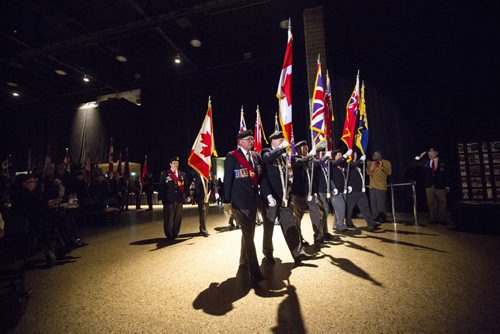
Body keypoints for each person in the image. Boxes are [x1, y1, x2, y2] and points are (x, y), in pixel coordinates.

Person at [260, 131, 314, 265]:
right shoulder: (266, 152)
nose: (284, 143)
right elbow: (267, 159)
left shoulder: (283, 157)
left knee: (290, 225)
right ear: (274, 141)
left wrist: (288, 192)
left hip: (284, 198)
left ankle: (298, 253)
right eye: (281, 140)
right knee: (269, 227)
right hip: (271, 199)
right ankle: (268, 253)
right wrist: (268, 196)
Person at [223, 129, 265, 285]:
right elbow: (228, 179)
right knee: (249, 236)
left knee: (249, 234)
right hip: (239, 202)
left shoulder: (255, 156)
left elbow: (259, 177)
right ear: (240, 142)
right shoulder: (232, 156)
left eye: (252, 139)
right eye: (248, 139)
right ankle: (255, 271)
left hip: (253, 201)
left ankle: (242, 261)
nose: (251, 141)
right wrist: (227, 201)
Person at [291, 140, 325, 245]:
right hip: (299, 194)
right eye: (304, 147)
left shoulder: (310, 160)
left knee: (316, 215)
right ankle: (299, 238)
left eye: (307, 147)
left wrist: (326, 156)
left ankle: (318, 236)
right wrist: (310, 155)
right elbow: (300, 162)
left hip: (310, 194)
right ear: (298, 149)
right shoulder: (295, 159)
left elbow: (317, 164)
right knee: (297, 218)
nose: (307, 149)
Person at [345, 153, 383, 232]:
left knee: (365, 207)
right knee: (350, 208)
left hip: (360, 190)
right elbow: (349, 171)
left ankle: (371, 223)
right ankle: (348, 222)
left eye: (355, 154)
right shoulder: (348, 164)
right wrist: (361, 160)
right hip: (353, 190)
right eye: (353, 154)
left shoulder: (357, 166)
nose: (355, 155)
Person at [413, 147, 450, 224]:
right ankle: (433, 218)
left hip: (440, 185)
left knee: (442, 202)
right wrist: (419, 157)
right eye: (429, 152)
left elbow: (446, 174)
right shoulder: (426, 161)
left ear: (436, 153)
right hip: (429, 185)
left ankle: (442, 218)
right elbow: (414, 163)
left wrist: (447, 185)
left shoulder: (442, 161)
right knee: (431, 202)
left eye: (432, 152)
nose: (430, 154)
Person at [158, 156, 187, 239]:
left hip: (179, 199)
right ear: (170, 164)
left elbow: (185, 186)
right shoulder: (165, 174)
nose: (176, 164)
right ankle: (168, 233)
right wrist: (161, 198)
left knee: (178, 217)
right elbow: (161, 187)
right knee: (169, 217)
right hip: (168, 199)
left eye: (177, 163)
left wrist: (186, 195)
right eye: (174, 163)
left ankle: (175, 232)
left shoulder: (182, 174)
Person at [367, 151, 392, 223]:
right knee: (373, 202)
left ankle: (382, 217)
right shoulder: (372, 163)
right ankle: (375, 216)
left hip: (381, 185)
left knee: (381, 203)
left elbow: (389, 172)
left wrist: (382, 167)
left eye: (377, 154)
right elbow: (369, 173)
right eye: (374, 155)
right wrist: (368, 166)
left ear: (381, 155)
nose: (375, 156)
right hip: (372, 185)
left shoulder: (386, 162)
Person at [193, 173, 210, 237]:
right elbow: (197, 188)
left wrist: (216, 192)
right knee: (203, 211)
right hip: (201, 198)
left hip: (207, 197)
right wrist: (199, 197)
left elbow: (211, 184)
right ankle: (204, 229)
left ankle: (201, 227)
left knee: (206, 213)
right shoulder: (198, 176)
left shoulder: (208, 175)